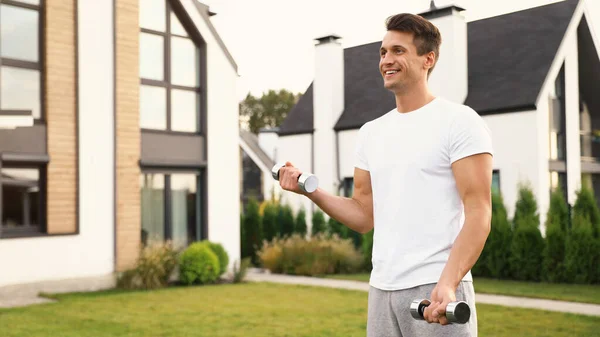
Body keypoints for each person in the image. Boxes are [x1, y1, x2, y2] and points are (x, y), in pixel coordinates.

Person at [277, 12, 493, 337]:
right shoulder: (370, 133)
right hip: (381, 290)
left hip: (435, 288)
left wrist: (448, 283)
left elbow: (479, 212)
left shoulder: (460, 121)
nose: (386, 60)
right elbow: (364, 216)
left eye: (398, 51)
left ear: (428, 59)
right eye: (383, 52)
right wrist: (311, 190)